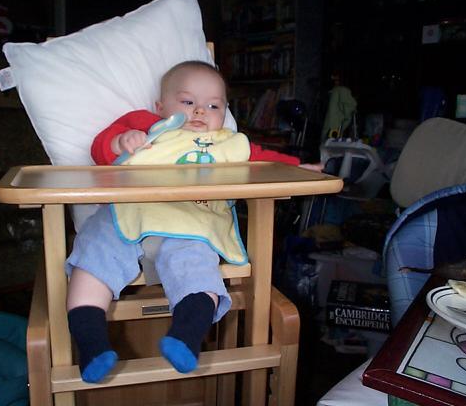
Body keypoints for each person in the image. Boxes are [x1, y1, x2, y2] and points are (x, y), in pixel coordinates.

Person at [66, 60, 323, 384]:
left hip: (191, 222)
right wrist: (121, 142)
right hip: (130, 213)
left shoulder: (228, 143)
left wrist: (296, 168)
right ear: (161, 107)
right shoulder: (147, 127)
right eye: (188, 102)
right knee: (96, 247)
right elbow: (100, 150)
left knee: (198, 266)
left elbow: (264, 160)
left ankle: (185, 337)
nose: (200, 111)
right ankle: (91, 342)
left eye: (213, 106)